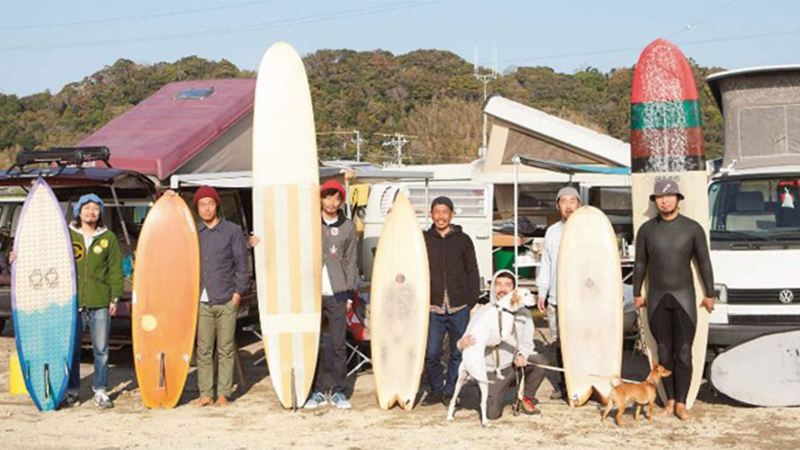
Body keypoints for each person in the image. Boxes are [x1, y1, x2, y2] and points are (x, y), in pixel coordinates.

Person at [633, 179, 714, 421]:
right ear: (655, 200)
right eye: (659, 197)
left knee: (684, 353)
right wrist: (637, 293)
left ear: (678, 198)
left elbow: (704, 262)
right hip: (657, 298)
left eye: (669, 196)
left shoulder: (692, 228)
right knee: (664, 353)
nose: (664, 200)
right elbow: (640, 264)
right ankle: (668, 399)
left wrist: (710, 293)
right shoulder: (647, 230)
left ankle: (681, 402)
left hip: (684, 298)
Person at [457, 270, 549, 419]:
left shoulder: (523, 313)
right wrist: (461, 344)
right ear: (493, 287)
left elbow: (527, 344)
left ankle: (525, 398)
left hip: (512, 365)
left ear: (514, 289)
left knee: (540, 361)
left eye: (507, 285)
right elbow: (463, 341)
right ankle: (491, 391)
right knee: (492, 415)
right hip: (492, 370)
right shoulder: (484, 311)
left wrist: (521, 355)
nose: (502, 289)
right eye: (498, 284)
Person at [305, 180, 359, 410]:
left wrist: (349, 294)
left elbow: (351, 260)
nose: (331, 202)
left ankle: (338, 391)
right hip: (311, 292)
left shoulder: (347, 227)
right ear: (321, 199)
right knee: (313, 343)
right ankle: (315, 390)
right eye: (328, 197)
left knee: (338, 344)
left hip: (337, 292)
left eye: (336, 198)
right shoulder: (309, 222)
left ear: (341, 202)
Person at [193, 186, 249, 407]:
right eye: (201, 205)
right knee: (203, 349)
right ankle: (206, 393)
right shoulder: (194, 233)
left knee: (225, 349)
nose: (206, 208)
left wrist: (237, 294)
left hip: (226, 297)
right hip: (201, 300)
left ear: (217, 205)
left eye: (210, 203)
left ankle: (224, 392)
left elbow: (241, 265)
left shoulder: (232, 231)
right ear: (197, 208)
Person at [66, 194, 124, 408]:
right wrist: (17, 256)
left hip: (100, 301)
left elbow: (115, 271)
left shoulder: (107, 237)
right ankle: (72, 390)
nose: (91, 212)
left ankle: (100, 390)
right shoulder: (67, 235)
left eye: (95, 208)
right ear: (79, 211)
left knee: (101, 349)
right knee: (72, 349)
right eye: (87, 208)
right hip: (74, 302)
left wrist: (114, 297)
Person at [422, 196, 480, 406]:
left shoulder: (463, 240)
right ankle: (436, 389)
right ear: (431, 214)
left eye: (445, 212)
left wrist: (471, 298)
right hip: (433, 306)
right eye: (436, 212)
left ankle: (451, 391)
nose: (440, 217)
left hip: (459, 305)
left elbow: (472, 270)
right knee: (432, 353)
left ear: (452, 215)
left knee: (458, 351)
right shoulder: (423, 239)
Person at [535, 186, 580, 401]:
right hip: (557, 297)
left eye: (573, 201)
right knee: (561, 342)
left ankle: (585, 383)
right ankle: (564, 385)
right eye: (564, 201)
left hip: (582, 299)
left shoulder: (588, 229)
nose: (569, 205)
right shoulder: (552, 231)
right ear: (558, 205)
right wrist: (542, 291)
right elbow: (546, 263)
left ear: (579, 204)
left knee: (583, 340)